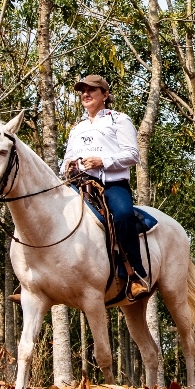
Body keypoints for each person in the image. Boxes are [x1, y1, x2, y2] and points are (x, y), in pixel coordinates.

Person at [61, 75, 147, 299]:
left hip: (111, 184)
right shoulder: (76, 129)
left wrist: (103, 161)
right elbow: (66, 160)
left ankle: (133, 275)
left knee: (123, 215)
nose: (86, 94)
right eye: (83, 91)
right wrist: (67, 167)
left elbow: (132, 154)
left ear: (105, 95)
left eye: (92, 90)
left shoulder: (119, 119)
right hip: (79, 184)